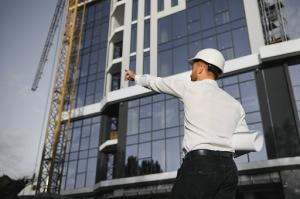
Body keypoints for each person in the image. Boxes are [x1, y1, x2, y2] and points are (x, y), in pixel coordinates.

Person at [124, 48, 249, 199]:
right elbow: (244, 143)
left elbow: (157, 83)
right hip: (229, 170)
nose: (192, 70)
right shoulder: (235, 104)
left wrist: (135, 77)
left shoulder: (190, 88)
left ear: (201, 67)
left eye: (193, 66)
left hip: (200, 165)